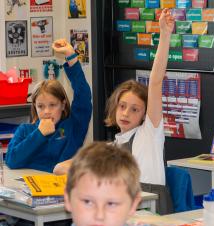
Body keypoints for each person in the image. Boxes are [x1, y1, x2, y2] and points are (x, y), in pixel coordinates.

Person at [55, 9, 174, 215]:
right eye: (122, 106)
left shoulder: (149, 135)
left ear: (145, 115)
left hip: (151, 213)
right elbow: (60, 168)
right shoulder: (113, 146)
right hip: (125, 212)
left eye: (135, 109)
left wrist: (164, 35)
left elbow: (155, 83)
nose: (126, 113)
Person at [32, 142, 189, 226]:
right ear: (68, 199)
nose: (99, 215)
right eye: (88, 202)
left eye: (112, 204)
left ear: (133, 205)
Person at [6, 39, 92, 173]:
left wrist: (71, 56)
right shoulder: (25, 130)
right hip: (30, 189)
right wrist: (39, 134)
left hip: (61, 189)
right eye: (41, 106)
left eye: (53, 105)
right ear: (34, 106)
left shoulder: (73, 126)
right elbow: (11, 160)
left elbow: (83, 97)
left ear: (63, 105)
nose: (47, 111)